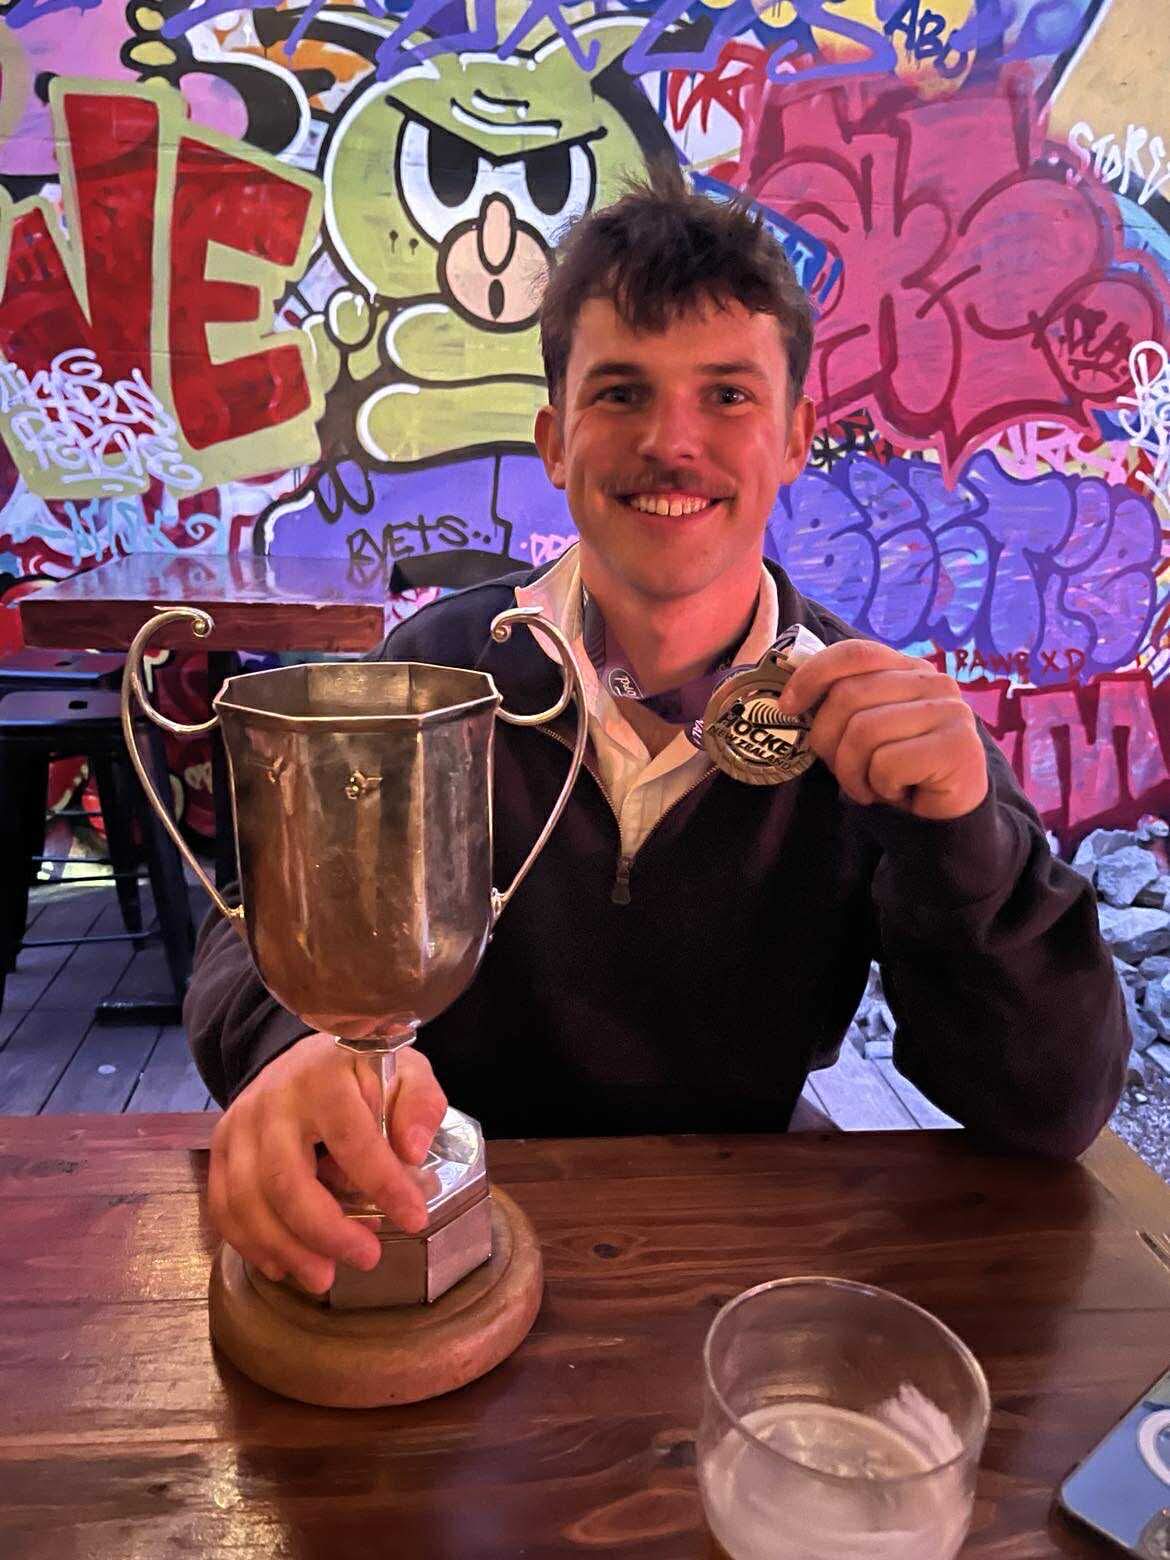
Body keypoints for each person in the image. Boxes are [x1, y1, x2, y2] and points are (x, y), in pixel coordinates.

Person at [185, 163, 1128, 1296]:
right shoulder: (437, 670)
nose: (672, 444)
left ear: (793, 438)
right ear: (553, 439)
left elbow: (1050, 1106)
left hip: (744, 1263)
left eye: (727, 396)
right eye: (620, 393)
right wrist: (295, 1055)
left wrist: (969, 837)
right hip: (432, 1231)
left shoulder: (876, 727)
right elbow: (253, 929)